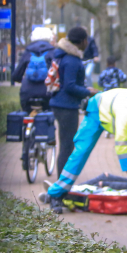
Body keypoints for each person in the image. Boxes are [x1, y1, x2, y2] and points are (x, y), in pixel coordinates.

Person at [46, 87, 127, 213]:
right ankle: (56, 193)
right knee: (81, 152)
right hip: (98, 111)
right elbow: (122, 147)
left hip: (119, 113)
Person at [50, 26, 97, 177]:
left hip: (62, 105)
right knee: (66, 147)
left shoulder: (65, 56)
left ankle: (62, 185)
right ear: (83, 41)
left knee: (67, 145)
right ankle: (60, 187)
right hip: (66, 107)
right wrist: (87, 92)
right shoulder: (71, 60)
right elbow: (69, 86)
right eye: (87, 40)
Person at [12, 27, 55, 113]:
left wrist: (24, 80)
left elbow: (16, 76)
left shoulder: (27, 52)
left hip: (27, 91)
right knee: (48, 117)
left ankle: (27, 125)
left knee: (26, 115)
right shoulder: (53, 52)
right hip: (47, 92)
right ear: (49, 38)